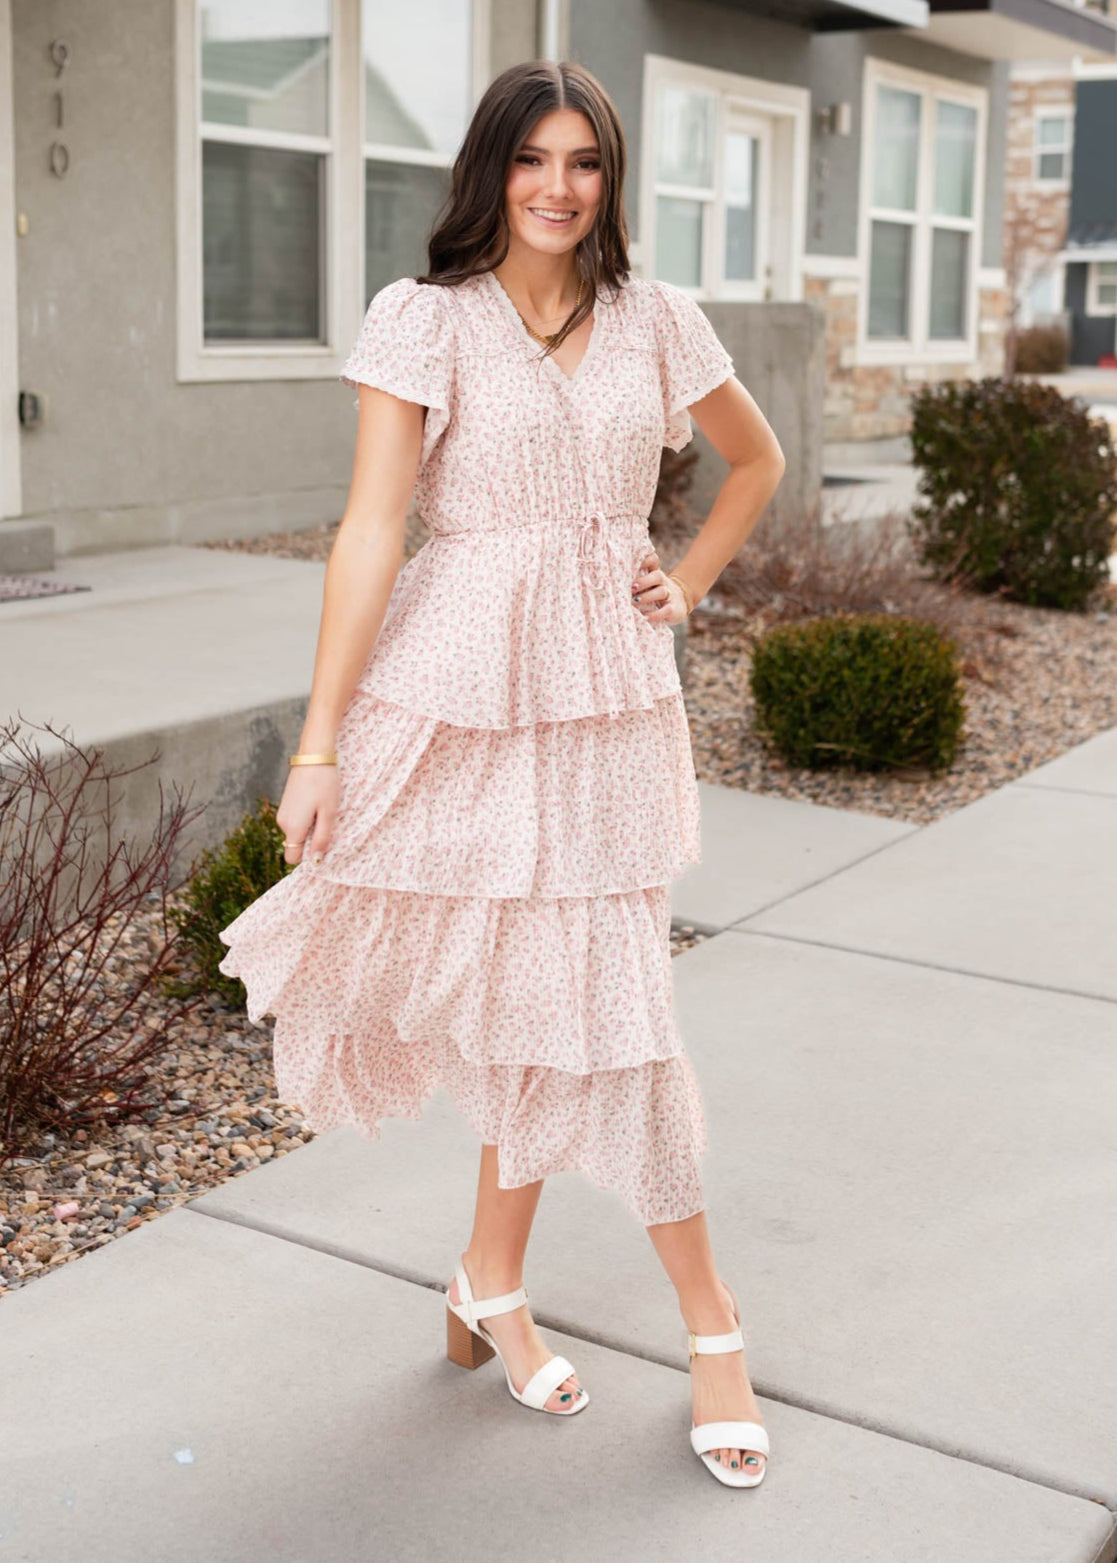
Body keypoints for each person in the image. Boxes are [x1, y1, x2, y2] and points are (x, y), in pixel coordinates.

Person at [218, 58, 785, 1490]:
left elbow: (754, 460)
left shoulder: (657, 319)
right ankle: (525, 1289)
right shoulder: (426, 321)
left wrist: (690, 579)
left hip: (602, 700)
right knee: (539, 1002)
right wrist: (320, 740)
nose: (556, 185)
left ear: (608, 179)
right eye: (531, 158)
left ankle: (579, 1294)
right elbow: (368, 533)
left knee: (609, 1005)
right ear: (489, 170)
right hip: (454, 694)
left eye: (583, 160)